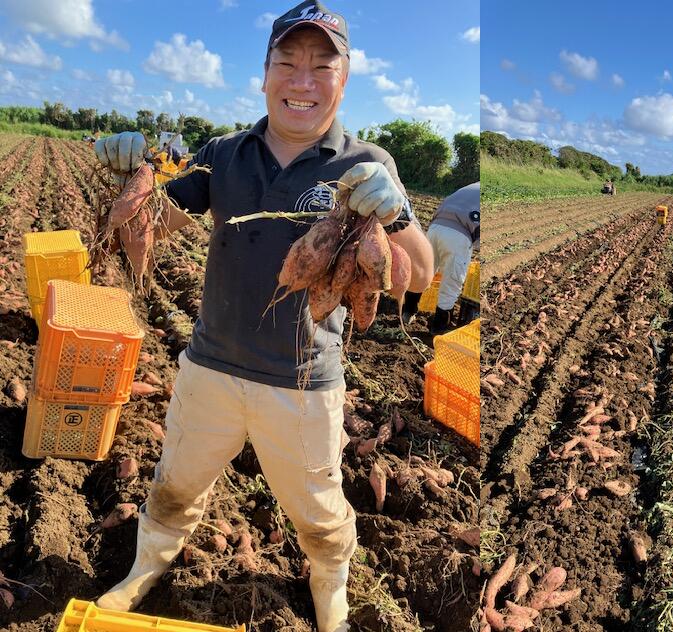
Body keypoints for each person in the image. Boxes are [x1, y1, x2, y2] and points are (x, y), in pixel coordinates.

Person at [92, 3, 433, 631]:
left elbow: (419, 270)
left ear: (345, 78)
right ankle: (148, 564)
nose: (302, 81)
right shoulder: (223, 153)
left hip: (302, 387)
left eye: (321, 66)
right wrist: (128, 175)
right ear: (265, 73)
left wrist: (396, 214)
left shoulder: (366, 164)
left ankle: (330, 581)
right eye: (288, 63)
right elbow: (153, 225)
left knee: (320, 513)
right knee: (173, 486)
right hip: (209, 370)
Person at [402, 182, 479, 331]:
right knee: (452, 283)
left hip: (435, 227)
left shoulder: (470, 187)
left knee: (424, 272)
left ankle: (408, 312)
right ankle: (439, 327)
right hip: (459, 233)